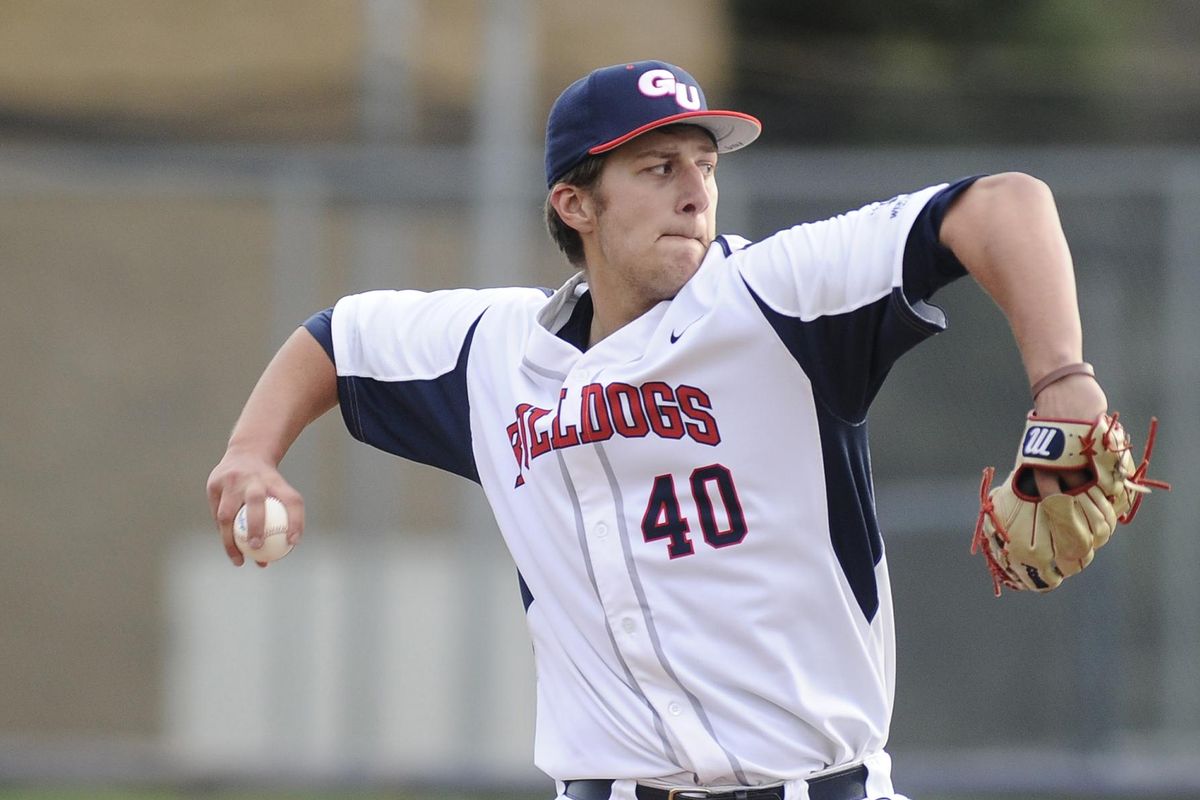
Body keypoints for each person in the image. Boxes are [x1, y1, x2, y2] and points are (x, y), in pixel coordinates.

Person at [207, 60, 1110, 800]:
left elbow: (1005, 205)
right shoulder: (495, 355)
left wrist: (1063, 380)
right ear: (576, 205)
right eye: (658, 168)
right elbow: (336, 338)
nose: (694, 191)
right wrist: (252, 454)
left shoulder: (773, 298)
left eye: (704, 166)